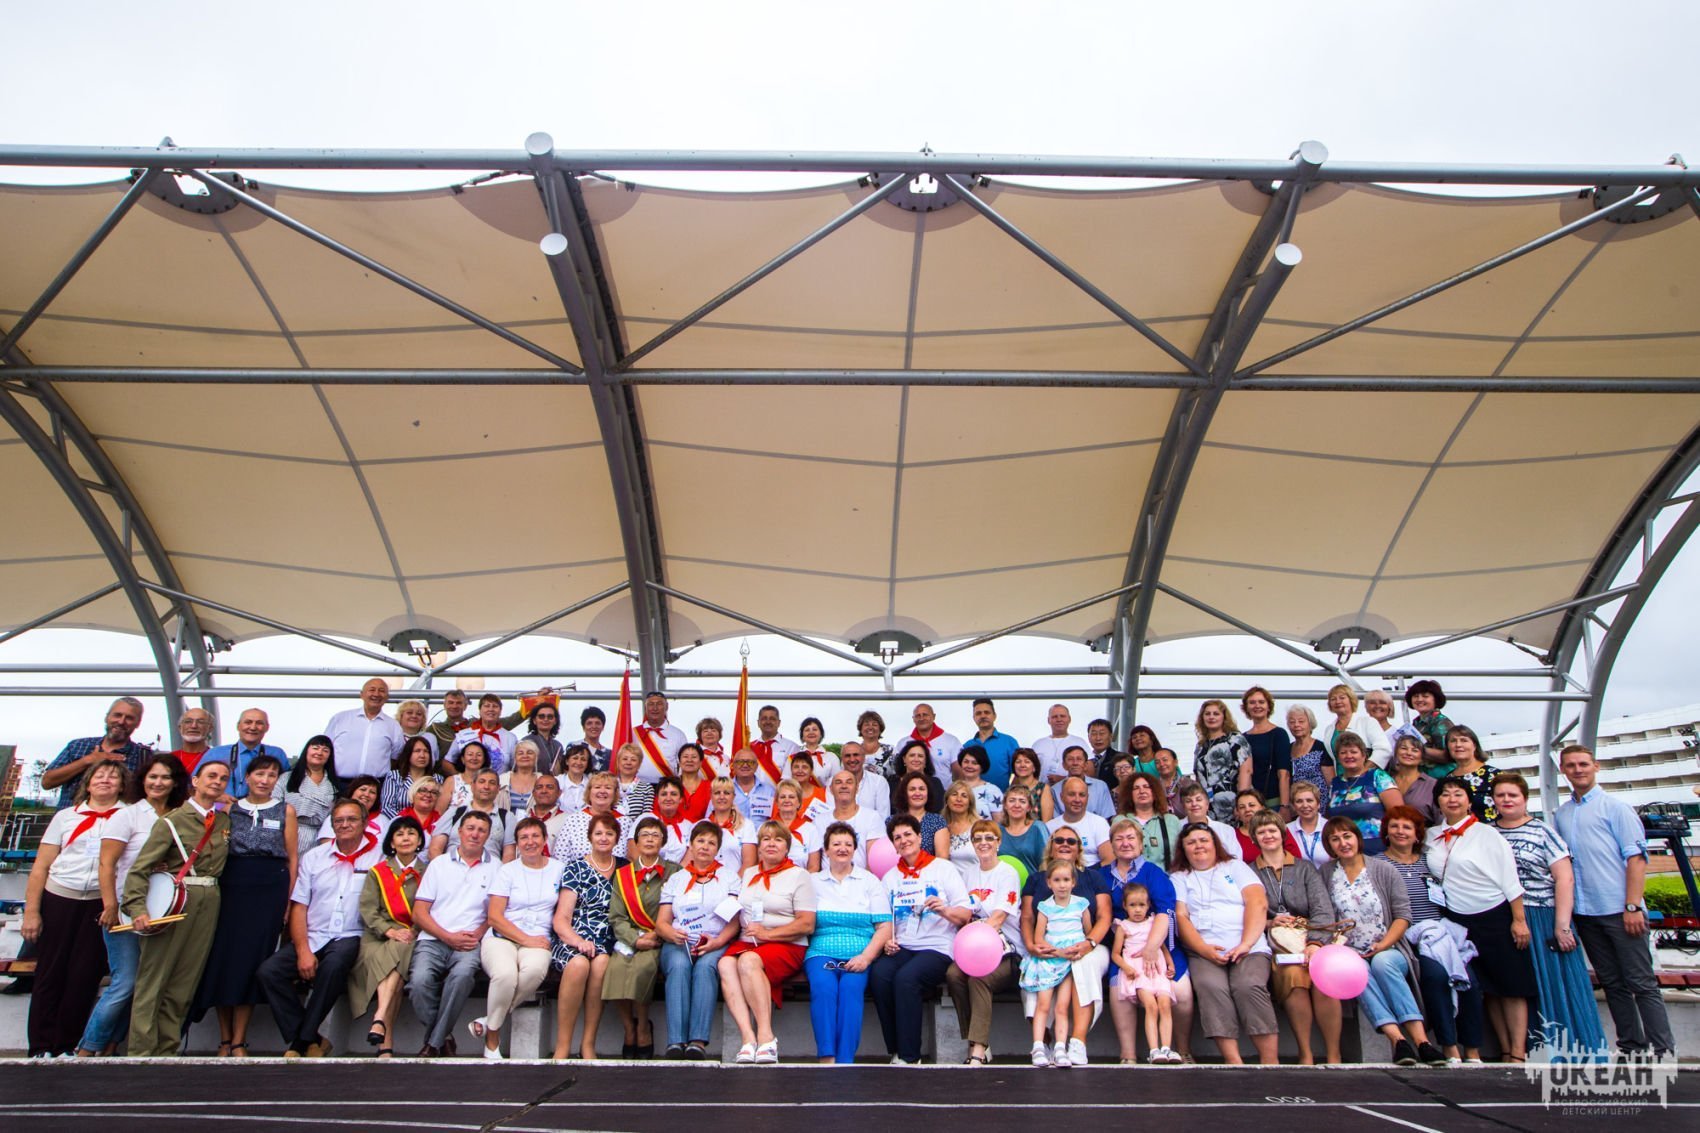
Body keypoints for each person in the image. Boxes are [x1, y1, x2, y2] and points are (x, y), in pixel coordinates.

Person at [1554, 743, 1674, 1059]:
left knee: (1641, 983)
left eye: (1583, 764)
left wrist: (1632, 906)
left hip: (1620, 910)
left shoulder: (1616, 808)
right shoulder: (1562, 814)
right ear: (1562, 770)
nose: (1577, 770)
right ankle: (1632, 1046)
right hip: (1586, 912)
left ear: (1595, 766)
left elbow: (1636, 859)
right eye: (1571, 765)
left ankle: (1663, 1049)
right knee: (1612, 983)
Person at [77, 753, 188, 1057]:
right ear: (142, 780)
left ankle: (112, 1046)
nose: (158, 783)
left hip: (164, 909)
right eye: (153, 776)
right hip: (126, 909)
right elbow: (107, 864)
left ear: (175, 782)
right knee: (124, 983)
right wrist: (110, 905)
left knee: (147, 984)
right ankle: (87, 1048)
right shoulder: (128, 815)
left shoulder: (180, 815)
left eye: (165, 777)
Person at [122, 758, 233, 1057]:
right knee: (154, 979)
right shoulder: (172, 821)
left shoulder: (223, 822)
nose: (217, 782)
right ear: (195, 781)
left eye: (223, 778)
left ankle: (167, 1049)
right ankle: (142, 1052)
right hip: (176, 899)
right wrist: (137, 908)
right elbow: (140, 869)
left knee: (185, 980)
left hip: (209, 899)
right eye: (211, 775)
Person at [254, 796, 380, 1058]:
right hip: (315, 934)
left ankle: (300, 1043)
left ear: (365, 822)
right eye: (339, 820)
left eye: (351, 819)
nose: (345, 824)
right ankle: (313, 1038)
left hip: (353, 935)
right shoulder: (315, 857)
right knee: (269, 972)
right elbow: (299, 906)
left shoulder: (379, 857)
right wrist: (302, 951)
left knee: (332, 967)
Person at [190, 754, 299, 1057]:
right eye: (260, 774)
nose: (265, 780)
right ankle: (224, 1039)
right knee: (223, 962)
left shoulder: (285, 810)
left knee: (251, 963)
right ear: (247, 777)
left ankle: (239, 1039)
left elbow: (292, 858)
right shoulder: (229, 809)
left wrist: (288, 901)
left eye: (272, 775)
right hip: (232, 887)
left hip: (269, 889)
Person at [1492, 772, 1606, 1057]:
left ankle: (1567, 1049)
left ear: (1524, 799)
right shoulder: (1488, 832)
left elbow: (1564, 878)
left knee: (1553, 983)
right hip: (1503, 917)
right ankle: (1526, 1049)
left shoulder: (1543, 832)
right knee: (1517, 985)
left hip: (1541, 914)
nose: (1506, 800)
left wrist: (1562, 926)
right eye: (1501, 795)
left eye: (1512, 795)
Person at [1319, 815, 1447, 1066]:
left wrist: (1384, 944)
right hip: (1349, 951)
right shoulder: (1326, 873)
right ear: (1329, 845)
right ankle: (1398, 1041)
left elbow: (1403, 915)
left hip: (1388, 946)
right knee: (1356, 971)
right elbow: (1324, 915)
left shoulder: (1382, 869)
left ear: (1357, 838)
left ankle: (1422, 1042)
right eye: (1335, 839)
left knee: (1382, 963)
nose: (1343, 843)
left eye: (1347, 836)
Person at [1426, 776, 1537, 1062]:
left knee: (1511, 985)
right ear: (1437, 801)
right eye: (1445, 794)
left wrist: (1519, 920)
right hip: (1457, 920)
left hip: (1494, 915)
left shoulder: (1487, 834)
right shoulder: (1431, 836)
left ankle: (1518, 1052)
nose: (1452, 799)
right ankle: (1503, 1048)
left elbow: (1510, 880)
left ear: (1468, 800)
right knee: (1486, 988)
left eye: (1458, 794)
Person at [23, 758, 128, 1056]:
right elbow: (41, 866)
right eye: (99, 775)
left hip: (100, 902)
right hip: (60, 897)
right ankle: (40, 1046)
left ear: (122, 785)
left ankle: (66, 1045)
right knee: (50, 973)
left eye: (113, 776)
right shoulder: (66, 817)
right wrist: (32, 911)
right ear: (88, 783)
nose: (105, 780)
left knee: (84, 976)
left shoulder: (128, 817)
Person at [1380, 805, 1486, 1064]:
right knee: (1436, 977)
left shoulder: (1430, 861)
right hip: (1407, 938)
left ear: (1418, 834)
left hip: (1441, 935)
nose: (1400, 831)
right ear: (1386, 832)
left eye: (1407, 827)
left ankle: (1472, 1048)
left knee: (1470, 980)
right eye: (1394, 826)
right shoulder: (1379, 864)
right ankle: (1448, 1045)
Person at [1169, 821, 1276, 1065]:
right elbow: (1181, 916)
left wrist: (1245, 944)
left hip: (1248, 947)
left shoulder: (1235, 867)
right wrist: (1203, 949)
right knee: (1210, 987)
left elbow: (1257, 902)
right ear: (1183, 849)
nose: (1198, 846)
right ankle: (1233, 1062)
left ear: (1215, 843)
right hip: (1204, 950)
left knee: (1248, 985)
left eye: (1203, 840)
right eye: (1191, 842)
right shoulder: (1179, 877)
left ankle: (1270, 1062)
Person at [870, 814, 972, 1064]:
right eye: (897, 838)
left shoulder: (943, 868)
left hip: (937, 947)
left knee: (907, 979)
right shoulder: (890, 877)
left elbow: (965, 914)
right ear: (893, 845)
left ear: (919, 837)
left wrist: (944, 910)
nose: (903, 840)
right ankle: (895, 1050)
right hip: (903, 946)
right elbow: (885, 920)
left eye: (908, 834)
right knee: (880, 975)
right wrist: (888, 940)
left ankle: (910, 1056)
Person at [718, 821, 817, 1063]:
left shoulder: (799, 875)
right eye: (766, 839)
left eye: (778, 839)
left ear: (787, 847)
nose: (771, 844)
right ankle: (747, 1038)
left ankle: (766, 1037)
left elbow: (807, 924)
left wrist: (767, 935)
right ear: (759, 846)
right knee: (725, 964)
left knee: (748, 961)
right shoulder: (749, 873)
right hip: (749, 941)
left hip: (787, 943)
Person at [1247, 810, 1341, 1064]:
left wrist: (1315, 943)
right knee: (1293, 976)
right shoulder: (1249, 872)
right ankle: (1305, 1052)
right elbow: (1245, 913)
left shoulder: (1304, 868)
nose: (1267, 835)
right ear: (1254, 838)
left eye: (1272, 830)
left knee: (1323, 976)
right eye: (1261, 832)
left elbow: (1322, 909)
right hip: (1277, 944)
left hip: (1312, 938)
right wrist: (1269, 922)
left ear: (1282, 834)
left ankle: (1334, 1053)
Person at [1095, 818, 1188, 1064]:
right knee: (1119, 990)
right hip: (1123, 948)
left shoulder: (1154, 873)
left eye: (1131, 838)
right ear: (1111, 844)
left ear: (1141, 842)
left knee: (1181, 992)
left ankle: (1181, 1050)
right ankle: (1128, 1054)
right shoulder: (1101, 875)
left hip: (1159, 945)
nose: (1125, 843)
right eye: (1119, 839)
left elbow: (1165, 912)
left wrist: (1151, 948)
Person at [1019, 827, 1113, 1066]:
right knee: (1036, 973)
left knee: (1083, 963)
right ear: (1050, 846)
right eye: (1058, 840)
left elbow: (1103, 917)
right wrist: (1032, 946)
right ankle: (1045, 1042)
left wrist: (1088, 943)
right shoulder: (1036, 879)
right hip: (1048, 946)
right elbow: (1027, 918)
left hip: (1089, 945)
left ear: (1079, 848)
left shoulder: (1093, 878)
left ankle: (1077, 1042)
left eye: (1071, 841)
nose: (1065, 844)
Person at [474, 816, 564, 1060]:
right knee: (505, 976)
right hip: (502, 937)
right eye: (524, 837)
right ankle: (492, 1040)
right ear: (517, 843)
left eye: (535, 836)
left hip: (539, 938)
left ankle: (490, 1022)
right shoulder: (507, 871)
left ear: (544, 840)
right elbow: (494, 917)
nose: (530, 842)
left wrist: (533, 941)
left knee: (533, 972)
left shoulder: (559, 869)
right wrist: (526, 939)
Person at [410, 809, 498, 1057]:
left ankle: (433, 1043)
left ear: (488, 836)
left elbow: (495, 914)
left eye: (481, 830)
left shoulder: (497, 867)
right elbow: (419, 912)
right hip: (433, 939)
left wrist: (477, 934)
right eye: (470, 828)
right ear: (459, 832)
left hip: (470, 941)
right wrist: (446, 936)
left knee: (462, 977)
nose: (475, 834)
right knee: (418, 982)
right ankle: (442, 1038)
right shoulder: (438, 865)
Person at [805, 822, 893, 1064]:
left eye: (848, 844)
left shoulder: (869, 881)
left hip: (860, 953)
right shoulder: (813, 881)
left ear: (855, 849)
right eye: (836, 844)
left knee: (851, 990)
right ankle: (827, 1056)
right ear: (826, 850)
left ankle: (845, 1060)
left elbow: (884, 927)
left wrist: (866, 958)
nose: (842, 848)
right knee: (823, 988)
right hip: (822, 952)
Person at [657, 822, 744, 1059]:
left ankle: (697, 1042)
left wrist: (717, 942)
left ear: (718, 849)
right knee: (679, 966)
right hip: (679, 942)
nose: (705, 847)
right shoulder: (676, 879)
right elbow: (662, 922)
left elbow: (734, 922)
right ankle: (676, 1041)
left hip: (716, 941)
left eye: (711, 843)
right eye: (700, 841)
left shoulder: (729, 878)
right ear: (691, 844)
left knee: (706, 968)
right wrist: (671, 934)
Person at [945, 819, 1023, 1066]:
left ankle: (977, 1048)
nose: (983, 843)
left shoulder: (1007, 873)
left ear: (998, 842)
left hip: (1006, 950)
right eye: (978, 839)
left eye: (989, 838)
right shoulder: (968, 874)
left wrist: (974, 934)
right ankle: (976, 1039)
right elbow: (964, 911)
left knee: (979, 979)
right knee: (953, 974)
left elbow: (998, 918)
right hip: (974, 948)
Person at [348, 814, 425, 1059]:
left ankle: (381, 1023)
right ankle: (382, 1029)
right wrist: (389, 931)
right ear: (391, 842)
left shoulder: (428, 871)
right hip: (378, 936)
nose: (405, 838)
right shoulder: (378, 872)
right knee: (396, 966)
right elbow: (368, 910)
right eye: (399, 834)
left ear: (420, 840)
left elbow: (434, 909)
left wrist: (415, 930)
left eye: (411, 833)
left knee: (400, 949)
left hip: (413, 933)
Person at [603, 816, 679, 1059]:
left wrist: (656, 935)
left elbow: (679, 911)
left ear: (663, 841)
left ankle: (644, 1025)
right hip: (630, 939)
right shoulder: (623, 874)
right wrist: (634, 939)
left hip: (658, 940)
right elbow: (617, 917)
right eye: (644, 835)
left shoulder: (675, 872)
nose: (649, 839)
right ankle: (629, 1026)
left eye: (655, 835)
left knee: (641, 969)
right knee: (615, 969)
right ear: (635, 841)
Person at [552, 812, 625, 1060]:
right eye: (598, 833)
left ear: (616, 838)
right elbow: (561, 918)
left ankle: (588, 1043)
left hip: (608, 939)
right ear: (590, 837)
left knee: (602, 963)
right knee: (579, 965)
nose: (603, 838)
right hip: (575, 936)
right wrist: (579, 942)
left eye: (609, 833)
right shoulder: (576, 868)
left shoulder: (624, 868)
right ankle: (563, 1045)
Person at [1020, 859, 1090, 1067]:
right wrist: (1059, 952)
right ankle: (1038, 1047)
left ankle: (1060, 1047)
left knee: (1062, 1007)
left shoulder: (1081, 904)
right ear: (1049, 883)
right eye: (1057, 880)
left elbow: (1088, 932)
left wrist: (1078, 949)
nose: (1062, 885)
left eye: (1066, 880)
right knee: (1043, 1005)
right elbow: (1038, 938)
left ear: (1073, 882)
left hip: (1069, 964)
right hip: (1050, 960)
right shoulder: (1045, 907)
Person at [41, 697, 152, 807]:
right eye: (117, 715)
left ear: (138, 723)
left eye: (129, 718)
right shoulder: (77, 746)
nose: (121, 721)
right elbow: (47, 782)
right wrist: (87, 761)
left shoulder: (143, 756)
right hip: (70, 817)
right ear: (107, 717)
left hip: (119, 817)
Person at [1111, 883, 1177, 1064]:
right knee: (1151, 1006)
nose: (1138, 910)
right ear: (1124, 906)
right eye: (1132, 905)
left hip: (1157, 970)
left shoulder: (1153, 923)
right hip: (1138, 972)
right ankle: (1154, 1050)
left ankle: (1167, 1048)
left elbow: (1162, 946)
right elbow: (1115, 954)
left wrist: (1170, 963)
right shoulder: (1123, 927)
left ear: (1148, 906)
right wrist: (1126, 968)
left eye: (1142, 905)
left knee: (1164, 1005)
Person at [1326, 732, 1404, 855]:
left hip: (1378, 851)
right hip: (1345, 852)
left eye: (1353, 752)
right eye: (1343, 752)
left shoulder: (1378, 776)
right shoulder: (1335, 783)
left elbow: (1399, 814)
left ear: (1364, 755)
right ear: (1338, 758)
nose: (1348, 756)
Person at [324, 678, 406, 780]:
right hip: (339, 783)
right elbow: (325, 748)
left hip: (376, 785)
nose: (376, 694)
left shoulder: (393, 725)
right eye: (372, 690)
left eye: (381, 691)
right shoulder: (340, 718)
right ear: (362, 695)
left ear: (387, 697)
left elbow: (396, 757)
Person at [202, 708, 290, 802]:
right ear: (238, 726)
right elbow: (196, 784)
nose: (253, 727)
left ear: (267, 727)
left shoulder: (277, 754)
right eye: (248, 722)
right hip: (222, 807)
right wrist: (218, 796)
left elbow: (288, 787)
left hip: (263, 808)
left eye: (259, 723)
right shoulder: (216, 753)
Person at [433, 768, 518, 862]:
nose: (486, 787)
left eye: (492, 783)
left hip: (489, 869)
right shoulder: (454, 812)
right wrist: (443, 868)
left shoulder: (507, 817)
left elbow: (509, 855)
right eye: (482, 781)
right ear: (472, 786)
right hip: (452, 867)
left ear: (498, 788)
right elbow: (435, 849)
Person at [1192, 699, 1251, 822]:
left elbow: (1246, 772)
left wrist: (1241, 803)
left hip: (1231, 803)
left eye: (1216, 714)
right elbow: (1198, 776)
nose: (1211, 717)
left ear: (1224, 717)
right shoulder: (1201, 745)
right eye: (1207, 714)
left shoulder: (1235, 739)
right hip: (1207, 807)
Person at [552, 771, 629, 863]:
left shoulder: (626, 822)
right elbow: (560, 856)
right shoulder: (573, 820)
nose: (602, 791)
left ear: (615, 793)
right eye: (597, 787)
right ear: (589, 792)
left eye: (608, 788)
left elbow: (630, 857)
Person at [285, 735, 342, 857]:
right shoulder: (286, 778)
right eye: (316, 748)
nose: (319, 753)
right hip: (285, 834)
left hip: (318, 837)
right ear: (306, 750)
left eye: (325, 750)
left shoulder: (334, 785)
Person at [1240, 687, 1291, 814]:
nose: (1257, 706)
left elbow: (1284, 773)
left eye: (1261, 702)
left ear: (1268, 706)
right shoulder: (1242, 738)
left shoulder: (1279, 734)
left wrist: (1284, 806)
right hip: (1251, 805)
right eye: (1252, 702)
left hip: (1274, 802)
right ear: (1246, 708)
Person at [824, 768, 887, 870]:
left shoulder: (872, 818)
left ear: (857, 788)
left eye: (849, 782)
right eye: (838, 782)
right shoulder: (819, 821)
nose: (844, 786)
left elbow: (874, 861)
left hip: (863, 878)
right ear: (831, 789)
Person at [444, 693, 520, 775]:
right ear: (479, 711)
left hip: (501, 783)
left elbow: (516, 767)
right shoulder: (463, 735)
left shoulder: (510, 738)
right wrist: (461, 779)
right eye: (487, 706)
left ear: (500, 712)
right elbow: (447, 762)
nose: (491, 709)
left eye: (495, 706)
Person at [1318, 684, 1390, 765]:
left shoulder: (1367, 722)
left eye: (1342, 698)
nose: (1338, 701)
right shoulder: (1329, 729)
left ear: (1351, 700)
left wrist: (1365, 769)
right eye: (1333, 699)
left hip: (1367, 772)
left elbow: (1383, 750)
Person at [1048, 776, 1113, 866]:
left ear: (1087, 798)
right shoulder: (1050, 827)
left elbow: (1109, 859)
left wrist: (1086, 874)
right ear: (1061, 797)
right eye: (1072, 794)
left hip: (1094, 873)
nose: (1077, 800)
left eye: (1082, 795)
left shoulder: (1099, 823)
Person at [1442, 725, 1501, 821]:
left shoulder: (1494, 775)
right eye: (1453, 741)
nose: (1458, 744)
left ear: (1474, 746)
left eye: (1463, 740)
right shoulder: (1447, 779)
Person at [703, 776, 759, 875]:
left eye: (726, 793)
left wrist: (734, 882)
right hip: (704, 881)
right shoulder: (700, 825)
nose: (722, 797)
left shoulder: (746, 825)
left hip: (737, 882)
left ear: (733, 796)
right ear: (711, 796)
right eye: (717, 793)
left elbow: (749, 863)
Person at [959, 697, 1017, 791]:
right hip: (972, 797)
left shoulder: (1009, 742)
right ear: (974, 718)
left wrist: (1009, 793)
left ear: (994, 716)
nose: (983, 716)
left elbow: (1019, 773)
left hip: (1002, 797)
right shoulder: (967, 746)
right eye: (978, 713)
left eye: (987, 712)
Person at [379, 735, 440, 820]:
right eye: (417, 751)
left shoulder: (437, 779)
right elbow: (387, 807)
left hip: (429, 824)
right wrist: (408, 823)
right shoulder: (394, 776)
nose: (422, 755)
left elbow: (439, 808)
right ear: (408, 754)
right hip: (399, 823)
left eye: (426, 751)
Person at [1232, 788, 1301, 861]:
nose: (1247, 810)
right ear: (1237, 812)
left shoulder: (1277, 829)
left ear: (1262, 808)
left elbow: (1295, 858)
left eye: (1252, 805)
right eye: (1242, 807)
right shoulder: (1232, 835)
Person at [1048, 746, 1115, 820]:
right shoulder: (1055, 790)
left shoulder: (1101, 786)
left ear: (1086, 764)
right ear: (1064, 765)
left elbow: (1107, 817)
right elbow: (1056, 820)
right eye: (1070, 759)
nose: (1075, 763)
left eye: (1079, 759)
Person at [1179, 781, 1241, 861]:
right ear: (1183, 806)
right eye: (1188, 801)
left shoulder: (1226, 830)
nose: (1194, 804)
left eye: (1198, 799)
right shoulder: (1175, 828)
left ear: (1207, 804)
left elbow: (1236, 859)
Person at [634, 691, 687, 783]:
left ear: (666, 707)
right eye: (651, 704)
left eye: (659, 704)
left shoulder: (678, 734)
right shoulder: (633, 733)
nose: (655, 708)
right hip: (638, 786)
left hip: (667, 787)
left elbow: (684, 763)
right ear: (645, 707)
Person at [997, 785, 1048, 878]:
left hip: (1032, 884)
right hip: (1002, 882)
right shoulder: (997, 830)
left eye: (1022, 801)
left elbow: (1046, 861)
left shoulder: (1038, 828)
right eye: (1012, 800)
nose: (1017, 805)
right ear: (1005, 805)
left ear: (1029, 807)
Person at [1388, 734, 1439, 825]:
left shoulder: (1433, 784)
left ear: (1422, 758)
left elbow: (1441, 819)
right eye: (1404, 748)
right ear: (1395, 753)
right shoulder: (1386, 781)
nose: (1408, 753)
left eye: (1415, 750)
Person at [1286, 705, 1333, 802]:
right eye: (1292, 722)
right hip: (1295, 803)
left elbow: (1331, 782)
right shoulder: (1287, 749)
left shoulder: (1321, 747)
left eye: (1301, 721)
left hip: (1319, 802)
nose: (1296, 725)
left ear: (1310, 723)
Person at [1031, 704, 1089, 783]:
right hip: (1042, 789)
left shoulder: (1080, 742)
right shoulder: (1038, 744)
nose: (1059, 719)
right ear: (1048, 720)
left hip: (1072, 789)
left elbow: (1090, 772)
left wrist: (1063, 779)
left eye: (1062, 716)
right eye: (1054, 717)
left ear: (1069, 719)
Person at [907, 702, 962, 785]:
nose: (921, 718)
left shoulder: (951, 741)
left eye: (925, 715)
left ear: (934, 716)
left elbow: (959, 773)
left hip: (945, 791)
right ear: (913, 719)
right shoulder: (904, 743)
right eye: (918, 716)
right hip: (914, 791)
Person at [1404, 680, 1454, 770]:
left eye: (1425, 696)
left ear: (1436, 699)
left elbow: (1449, 755)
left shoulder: (1441, 722)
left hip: (1441, 775)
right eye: (1416, 696)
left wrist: (1415, 748)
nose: (1419, 699)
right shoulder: (1416, 723)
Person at [887, 738, 946, 815]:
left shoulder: (935, 783)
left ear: (926, 760)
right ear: (904, 759)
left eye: (920, 756)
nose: (916, 759)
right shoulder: (892, 783)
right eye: (912, 755)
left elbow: (939, 809)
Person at [894, 770, 946, 855]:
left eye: (922, 789)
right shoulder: (892, 821)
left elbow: (942, 857)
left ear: (928, 793)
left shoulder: (937, 821)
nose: (917, 793)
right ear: (904, 793)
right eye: (912, 789)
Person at [772, 778, 821, 869]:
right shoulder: (766, 828)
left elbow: (814, 867)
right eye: (782, 797)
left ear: (799, 802)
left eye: (791, 797)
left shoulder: (811, 829)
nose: (787, 800)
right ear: (777, 803)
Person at [748, 704, 799, 788]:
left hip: (780, 794)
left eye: (772, 719)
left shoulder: (792, 747)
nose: (768, 722)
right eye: (764, 718)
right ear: (758, 723)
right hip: (752, 794)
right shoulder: (748, 748)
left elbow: (792, 778)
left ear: (779, 723)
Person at [837, 741, 891, 819]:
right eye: (847, 756)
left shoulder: (879, 782)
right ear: (842, 759)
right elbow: (832, 815)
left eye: (856, 755)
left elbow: (883, 817)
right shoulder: (832, 783)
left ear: (864, 757)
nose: (852, 759)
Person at [935, 780, 980, 871]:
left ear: (970, 803)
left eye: (964, 796)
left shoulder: (979, 826)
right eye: (954, 794)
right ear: (947, 800)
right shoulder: (940, 827)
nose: (959, 799)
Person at [1286, 781, 1331, 866]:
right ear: (1294, 806)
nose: (1305, 805)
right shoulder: (1286, 830)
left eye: (1309, 800)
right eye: (1299, 801)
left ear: (1318, 804)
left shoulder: (1330, 827)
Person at [445, 739, 495, 811]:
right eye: (470, 754)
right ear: (463, 759)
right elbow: (438, 812)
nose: (474, 758)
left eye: (479, 755)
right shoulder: (451, 781)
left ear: (484, 760)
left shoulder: (490, 783)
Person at [729, 748, 777, 824]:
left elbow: (776, 820)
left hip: (761, 832)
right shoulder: (724, 790)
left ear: (757, 766)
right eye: (740, 762)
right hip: (732, 831)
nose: (745, 765)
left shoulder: (769, 791)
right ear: (733, 765)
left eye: (750, 762)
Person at [956, 747, 1005, 821]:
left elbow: (999, 823)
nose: (969, 766)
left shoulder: (992, 790)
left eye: (974, 763)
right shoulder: (953, 788)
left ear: (982, 767)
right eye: (966, 762)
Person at [611, 742, 656, 819]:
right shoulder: (609, 785)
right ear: (618, 762)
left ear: (639, 764)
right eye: (625, 759)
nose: (628, 763)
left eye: (633, 760)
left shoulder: (647, 788)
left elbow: (647, 817)